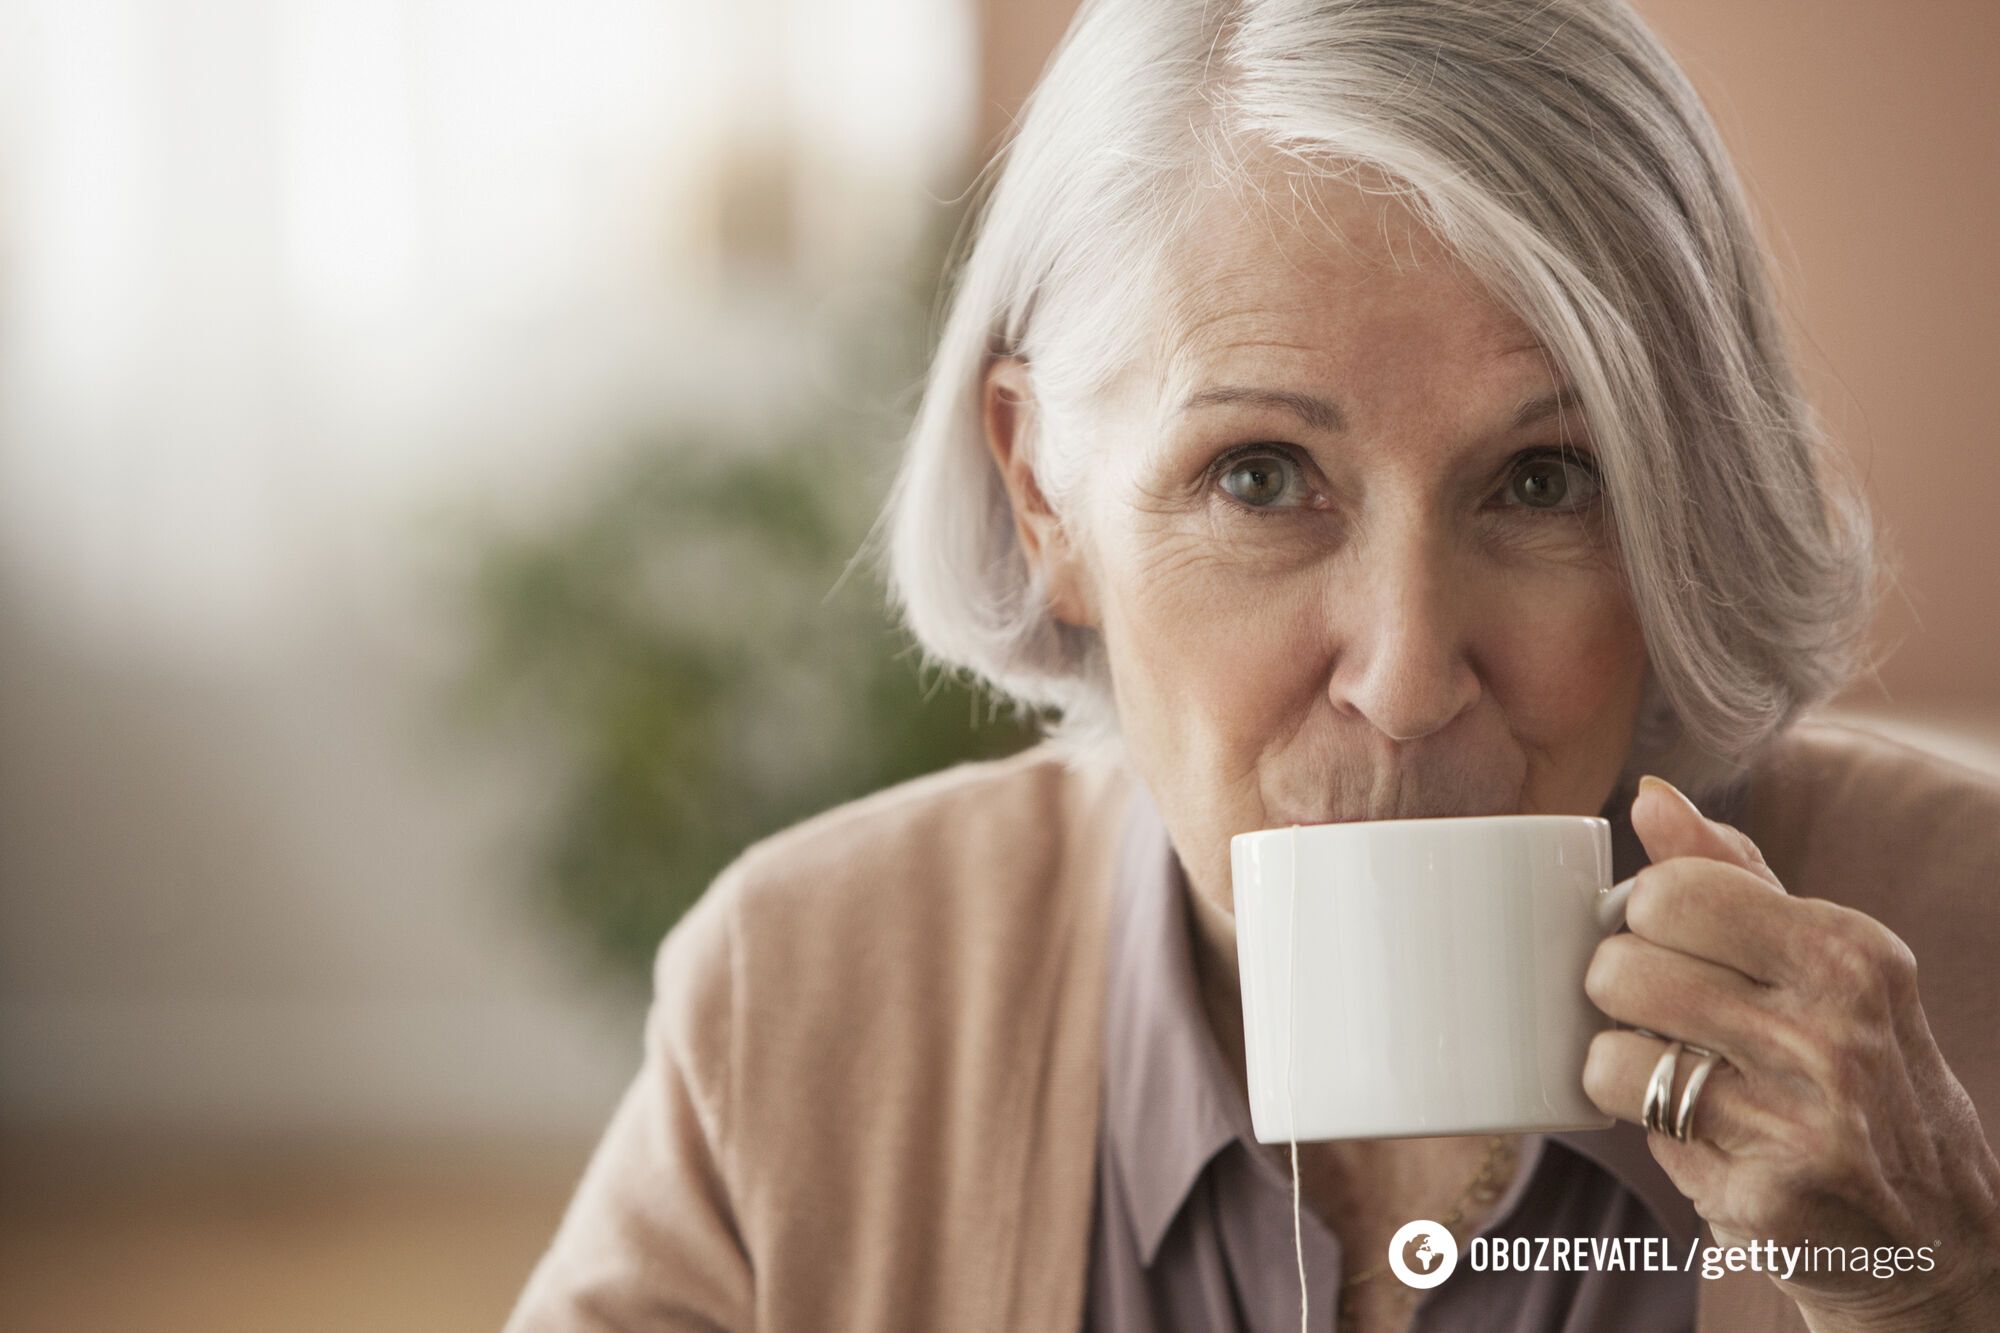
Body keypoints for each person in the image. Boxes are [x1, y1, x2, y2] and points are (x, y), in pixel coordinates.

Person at [505, 0, 2000, 1329]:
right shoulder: (802, 994)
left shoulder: (1970, 943)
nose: (1409, 675)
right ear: (1045, 499)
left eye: (1545, 481)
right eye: (1262, 478)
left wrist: (1929, 1292)